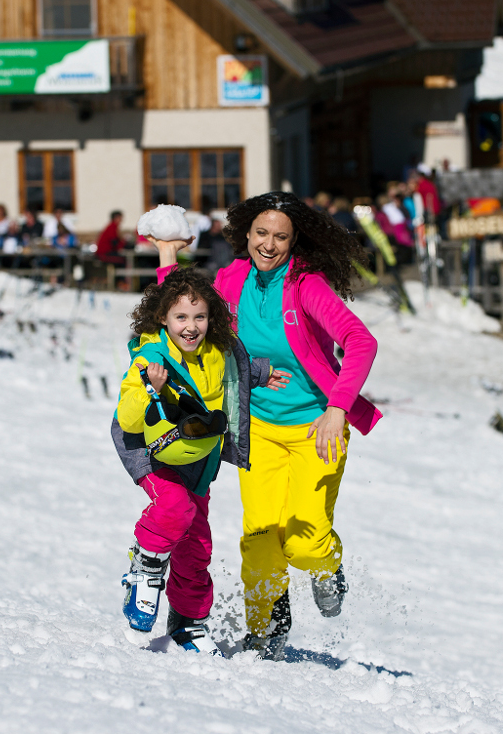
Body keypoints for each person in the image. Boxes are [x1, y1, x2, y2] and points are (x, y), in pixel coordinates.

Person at [152, 191, 381, 660]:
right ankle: (267, 629)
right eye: (261, 233)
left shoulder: (305, 285)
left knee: (304, 542)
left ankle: (327, 566)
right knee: (259, 539)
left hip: (316, 429)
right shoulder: (233, 279)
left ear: (294, 241)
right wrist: (167, 255)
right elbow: (184, 313)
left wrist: (338, 409)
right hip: (257, 430)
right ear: (247, 234)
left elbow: (361, 341)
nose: (269, 244)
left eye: (280, 236)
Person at [113, 269, 289, 655]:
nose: (191, 327)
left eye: (200, 317)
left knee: (197, 544)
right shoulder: (152, 357)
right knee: (173, 507)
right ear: (163, 318)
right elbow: (127, 418)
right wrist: (149, 387)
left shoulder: (217, 351)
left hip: (197, 458)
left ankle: (188, 623)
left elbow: (234, 370)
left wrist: (261, 372)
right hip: (154, 450)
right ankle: (146, 567)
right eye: (181, 317)